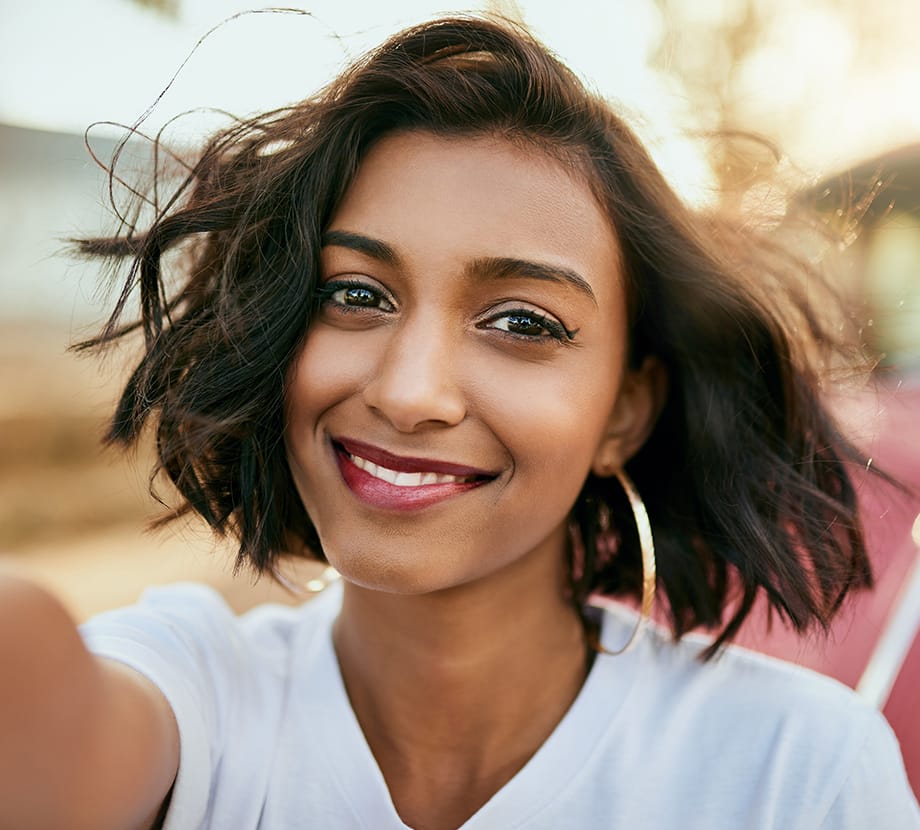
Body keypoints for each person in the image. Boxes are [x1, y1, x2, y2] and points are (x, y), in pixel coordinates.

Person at [1, 13, 918, 830]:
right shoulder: (196, 689)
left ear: (625, 412)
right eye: (355, 294)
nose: (409, 393)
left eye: (521, 322)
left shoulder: (800, 773)